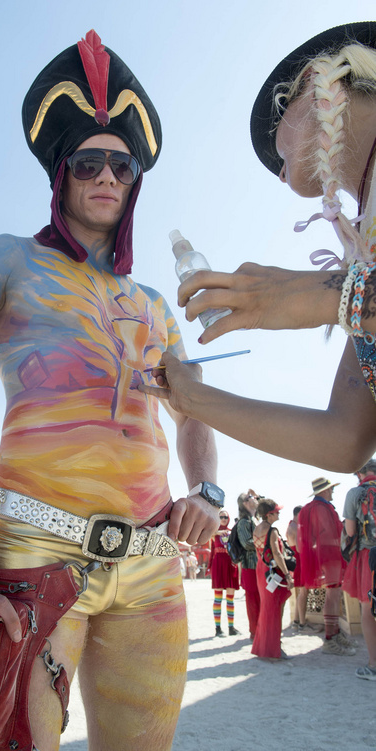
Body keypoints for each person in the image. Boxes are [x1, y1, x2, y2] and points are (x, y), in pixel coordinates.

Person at [0, 31, 220, 751]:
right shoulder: (4, 261)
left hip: (152, 565)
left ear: (135, 179)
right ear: (61, 171)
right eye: (87, 160)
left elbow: (194, 407)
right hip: (31, 558)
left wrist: (209, 490)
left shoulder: (157, 304)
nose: (105, 175)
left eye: (120, 163)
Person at [137, 22, 376, 474]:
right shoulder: (360, 253)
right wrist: (193, 398)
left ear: (307, 84)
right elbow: (344, 440)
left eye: (273, 142)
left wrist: (317, 295)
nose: (279, 174)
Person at [298, 478, 356, 656]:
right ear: (323, 491)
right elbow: (329, 533)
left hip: (327, 556)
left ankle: (335, 633)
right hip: (330, 556)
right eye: (330, 489)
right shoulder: (321, 508)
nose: (332, 492)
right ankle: (330, 639)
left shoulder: (313, 507)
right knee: (333, 595)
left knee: (334, 595)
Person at [342, 458, 376, 679]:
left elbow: (351, 531)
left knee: (368, 611)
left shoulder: (356, 494)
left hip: (369, 556)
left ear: (359, 474)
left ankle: (373, 665)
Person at [251, 499, 293, 660]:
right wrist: (288, 574)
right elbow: (277, 553)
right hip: (274, 572)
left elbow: (259, 552)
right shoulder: (272, 530)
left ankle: (265, 648)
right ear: (269, 514)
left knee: (267, 609)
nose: (279, 513)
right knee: (276, 610)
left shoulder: (257, 529)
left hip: (262, 571)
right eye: (276, 511)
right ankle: (274, 649)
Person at [207, 509, 239, 636]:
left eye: (226, 516)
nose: (224, 519)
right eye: (221, 517)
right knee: (218, 598)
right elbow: (208, 534)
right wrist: (219, 531)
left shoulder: (232, 533)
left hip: (231, 564)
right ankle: (218, 628)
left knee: (230, 598)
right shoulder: (214, 533)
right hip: (218, 565)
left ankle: (231, 628)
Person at [236, 490, 260, 640]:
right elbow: (246, 543)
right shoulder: (244, 522)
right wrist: (265, 541)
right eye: (250, 498)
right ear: (245, 503)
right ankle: (255, 631)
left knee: (260, 599)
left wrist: (254, 495)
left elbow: (264, 503)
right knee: (253, 600)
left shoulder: (254, 519)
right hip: (250, 566)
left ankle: (260, 630)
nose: (254, 499)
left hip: (258, 565)